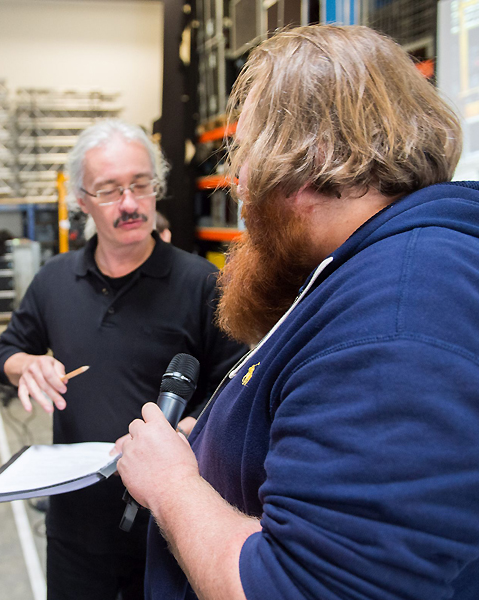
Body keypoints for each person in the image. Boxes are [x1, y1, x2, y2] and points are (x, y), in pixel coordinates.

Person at [116, 25, 479, 599]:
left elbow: (292, 587)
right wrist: (214, 450)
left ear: (314, 157)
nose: (239, 187)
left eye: (250, 155)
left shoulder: (401, 311)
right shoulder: (368, 270)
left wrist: (170, 486)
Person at [0, 119, 247, 599]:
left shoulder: (202, 285)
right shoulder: (54, 280)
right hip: (75, 523)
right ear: (82, 201)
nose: (129, 204)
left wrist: (191, 428)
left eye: (140, 185)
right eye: (109, 191)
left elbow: (232, 392)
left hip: (169, 527)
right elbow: (5, 351)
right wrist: (25, 365)